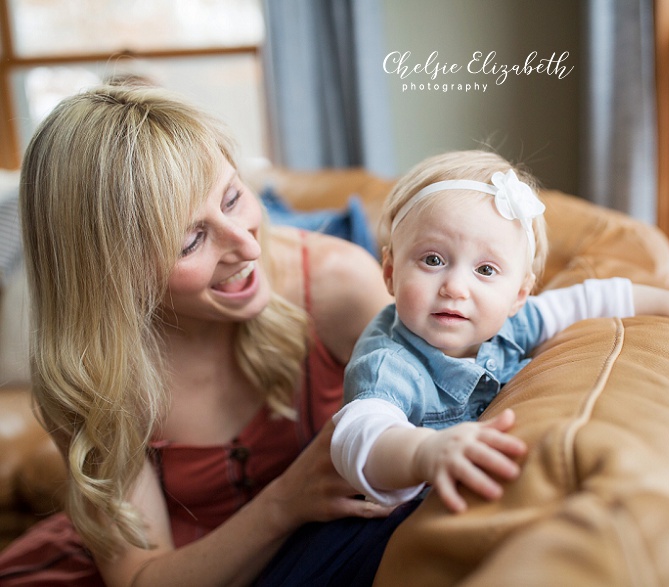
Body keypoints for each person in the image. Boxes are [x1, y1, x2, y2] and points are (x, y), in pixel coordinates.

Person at [0, 85, 401, 586]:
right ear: (110, 274)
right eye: (191, 240)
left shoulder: (335, 285)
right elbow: (139, 577)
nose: (246, 245)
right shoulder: (90, 375)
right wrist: (284, 503)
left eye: (233, 198)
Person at [331, 150, 669, 513]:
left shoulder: (511, 324)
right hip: (394, 528)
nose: (456, 287)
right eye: (433, 259)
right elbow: (359, 437)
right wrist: (426, 452)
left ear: (519, 295)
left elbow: (593, 299)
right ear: (389, 272)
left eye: (485, 270)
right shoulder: (389, 362)